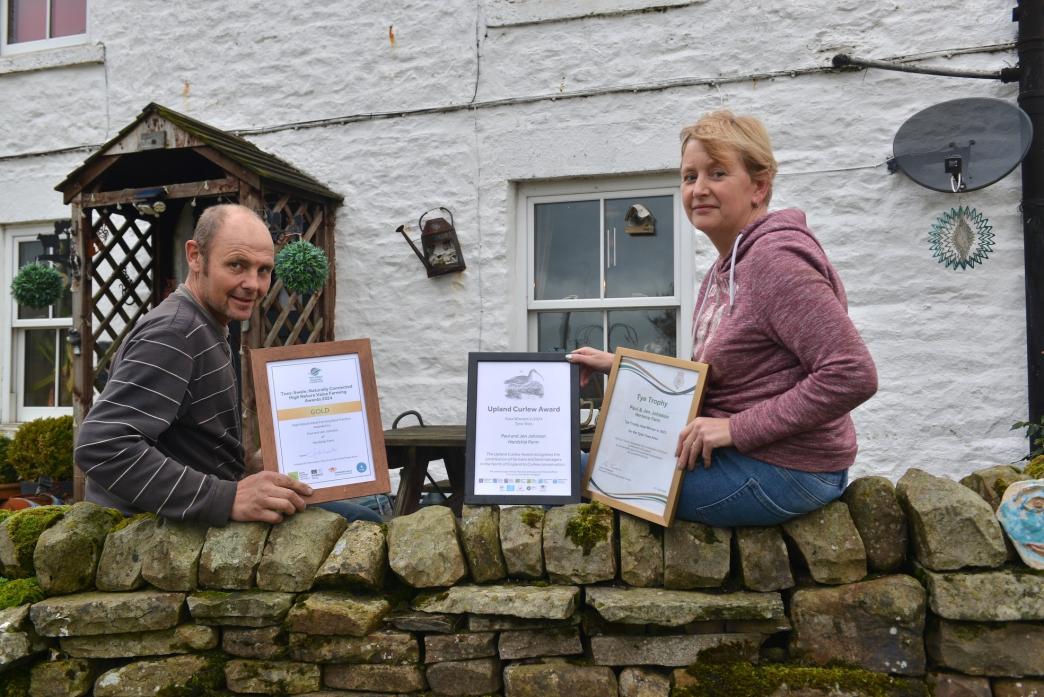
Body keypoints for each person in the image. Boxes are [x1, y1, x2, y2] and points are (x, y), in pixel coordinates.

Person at [568, 111, 877, 527]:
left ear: (759, 185)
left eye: (717, 173)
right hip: (755, 459)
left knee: (569, 470)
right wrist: (618, 365)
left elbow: (852, 374)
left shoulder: (773, 262)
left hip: (786, 470)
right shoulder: (726, 266)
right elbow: (717, 375)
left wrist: (734, 429)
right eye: (689, 176)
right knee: (574, 461)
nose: (699, 190)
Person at [76, 204, 381, 526]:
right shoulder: (176, 332)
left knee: (362, 511)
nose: (254, 284)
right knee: (363, 522)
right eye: (237, 265)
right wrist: (227, 497)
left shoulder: (205, 325)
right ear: (195, 256)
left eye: (264, 270)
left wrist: (260, 463)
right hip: (154, 532)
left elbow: (190, 446)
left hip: (191, 518)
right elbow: (102, 444)